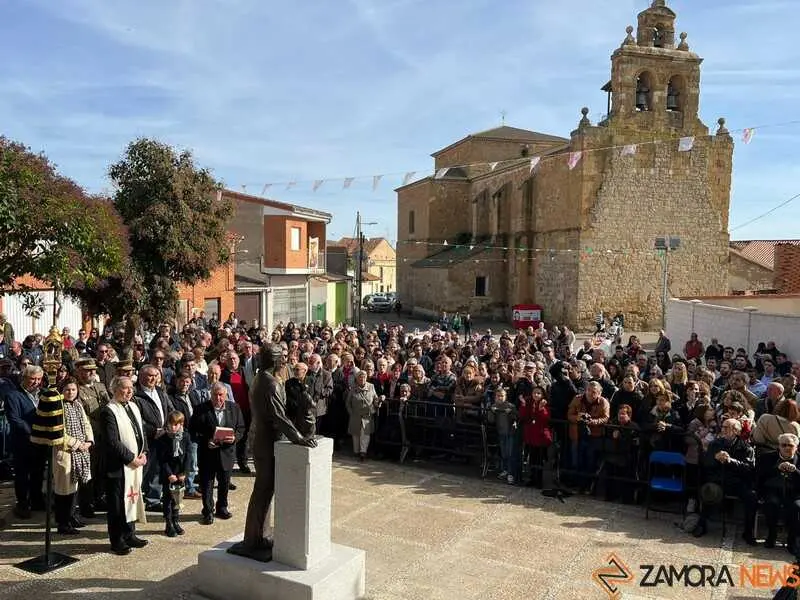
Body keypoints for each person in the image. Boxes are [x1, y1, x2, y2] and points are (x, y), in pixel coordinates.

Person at [229, 343, 316, 562]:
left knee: (265, 490)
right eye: (283, 357)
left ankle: (261, 535)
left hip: (265, 439)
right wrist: (298, 438)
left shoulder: (262, 378)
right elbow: (279, 416)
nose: (286, 361)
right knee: (263, 490)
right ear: (276, 361)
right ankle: (252, 539)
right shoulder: (270, 384)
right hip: (266, 442)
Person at [100, 376, 148, 556]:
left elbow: (140, 431)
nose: (129, 391)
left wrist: (144, 452)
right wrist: (130, 458)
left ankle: (130, 534)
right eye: (125, 388)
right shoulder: (108, 411)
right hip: (118, 467)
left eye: (131, 388)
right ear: (115, 389)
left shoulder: (134, 406)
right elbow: (112, 442)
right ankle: (117, 539)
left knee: (132, 498)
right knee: (117, 504)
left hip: (135, 463)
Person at [191, 382, 244, 525]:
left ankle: (222, 507)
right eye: (215, 395)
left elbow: (241, 428)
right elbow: (193, 430)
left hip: (227, 453)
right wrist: (206, 441)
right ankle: (208, 511)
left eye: (221, 395)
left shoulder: (234, 408)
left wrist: (234, 438)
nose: (218, 398)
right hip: (208, 453)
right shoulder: (201, 409)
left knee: (224, 483)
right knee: (207, 484)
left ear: (226, 395)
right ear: (210, 394)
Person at [5, 365, 46, 519]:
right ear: (24, 378)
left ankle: (37, 500)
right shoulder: (13, 396)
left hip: (41, 441)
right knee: (22, 475)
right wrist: (32, 433)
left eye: (38, 379)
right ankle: (23, 503)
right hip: (23, 442)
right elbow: (15, 419)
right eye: (32, 379)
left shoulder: (42, 394)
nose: (35, 382)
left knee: (38, 472)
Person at [53, 377, 93, 534]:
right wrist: (77, 444)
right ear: (62, 391)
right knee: (64, 490)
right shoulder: (58, 406)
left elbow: (86, 423)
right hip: (65, 453)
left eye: (73, 390)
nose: (71, 392)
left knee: (74, 488)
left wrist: (89, 441)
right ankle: (63, 522)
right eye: (67, 390)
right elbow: (58, 432)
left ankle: (72, 517)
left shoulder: (78, 405)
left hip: (80, 452)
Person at [156, 410, 191, 537]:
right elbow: (162, 460)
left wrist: (184, 472)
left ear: (181, 424)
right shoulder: (163, 439)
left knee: (177, 498)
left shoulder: (185, 436)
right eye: (171, 424)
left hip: (180, 473)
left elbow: (188, 456)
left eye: (176, 425)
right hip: (168, 474)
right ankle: (168, 523)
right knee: (167, 499)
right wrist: (169, 474)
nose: (173, 427)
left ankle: (176, 520)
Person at [346, 370, 379, 461]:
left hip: (367, 416)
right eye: (360, 377)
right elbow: (348, 403)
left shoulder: (371, 387)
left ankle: (363, 452)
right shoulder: (353, 388)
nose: (362, 379)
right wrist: (351, 413)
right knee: (356, 434)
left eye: (364, 377)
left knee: (365, 434)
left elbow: (375, 398)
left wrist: (377, 402)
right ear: (357, 378)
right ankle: (356, 451)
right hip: (355, 415)